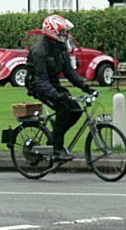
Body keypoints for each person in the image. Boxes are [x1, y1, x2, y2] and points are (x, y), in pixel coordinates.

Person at [25, 15, 95, 161]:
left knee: (76, 111)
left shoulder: (60, 47)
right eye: (62, 32)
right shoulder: (40, 51)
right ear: (52, 32)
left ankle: (54, 139)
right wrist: (55, 95)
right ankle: (57, 150)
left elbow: (69, 71)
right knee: (63, 110)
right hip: (37, 85)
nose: (65, 35)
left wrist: (86, 87)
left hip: (52, 83)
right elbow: (41, 79)